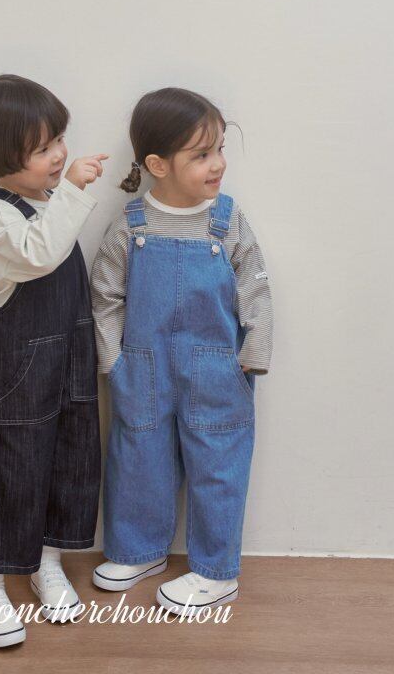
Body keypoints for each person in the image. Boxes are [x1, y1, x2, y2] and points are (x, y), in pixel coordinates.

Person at [90, 86, 273, 617]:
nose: (218, 164)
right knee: (137, 456)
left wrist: (255, 349)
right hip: (143, 365)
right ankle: (138, 551)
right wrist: (113, 360)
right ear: (158, 165)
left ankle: (217, 572)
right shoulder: (131, 225)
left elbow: (255, 286)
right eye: (201, 154)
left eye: (220, 149)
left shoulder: (228, 221)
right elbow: (105, 295)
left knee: (219, 464)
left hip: (218, 366)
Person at [0, 74, 107, 647]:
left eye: (59, 140)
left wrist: (61, 193)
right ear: (2, 155)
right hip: (12, 378)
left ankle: (46, 560)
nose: (59, 155)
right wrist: (72, 191)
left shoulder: (49, 204)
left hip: (64, 366)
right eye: (43, 148)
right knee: (6, 473)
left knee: (65, 461)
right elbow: (40, 254)